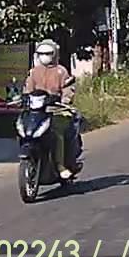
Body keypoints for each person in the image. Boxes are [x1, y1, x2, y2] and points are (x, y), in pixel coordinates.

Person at [22, 39, 78, 180]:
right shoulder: (34, 72)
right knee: (25, 129)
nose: (44, 56)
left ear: (54, 54)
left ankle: (60, 166)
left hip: (56, 109)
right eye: (41, 53)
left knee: (57, 133)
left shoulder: (61, 71)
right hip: (37, 111)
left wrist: (65, 100)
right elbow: (28, 89)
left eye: (48, 53)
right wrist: (23, 98)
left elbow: (68, 89)